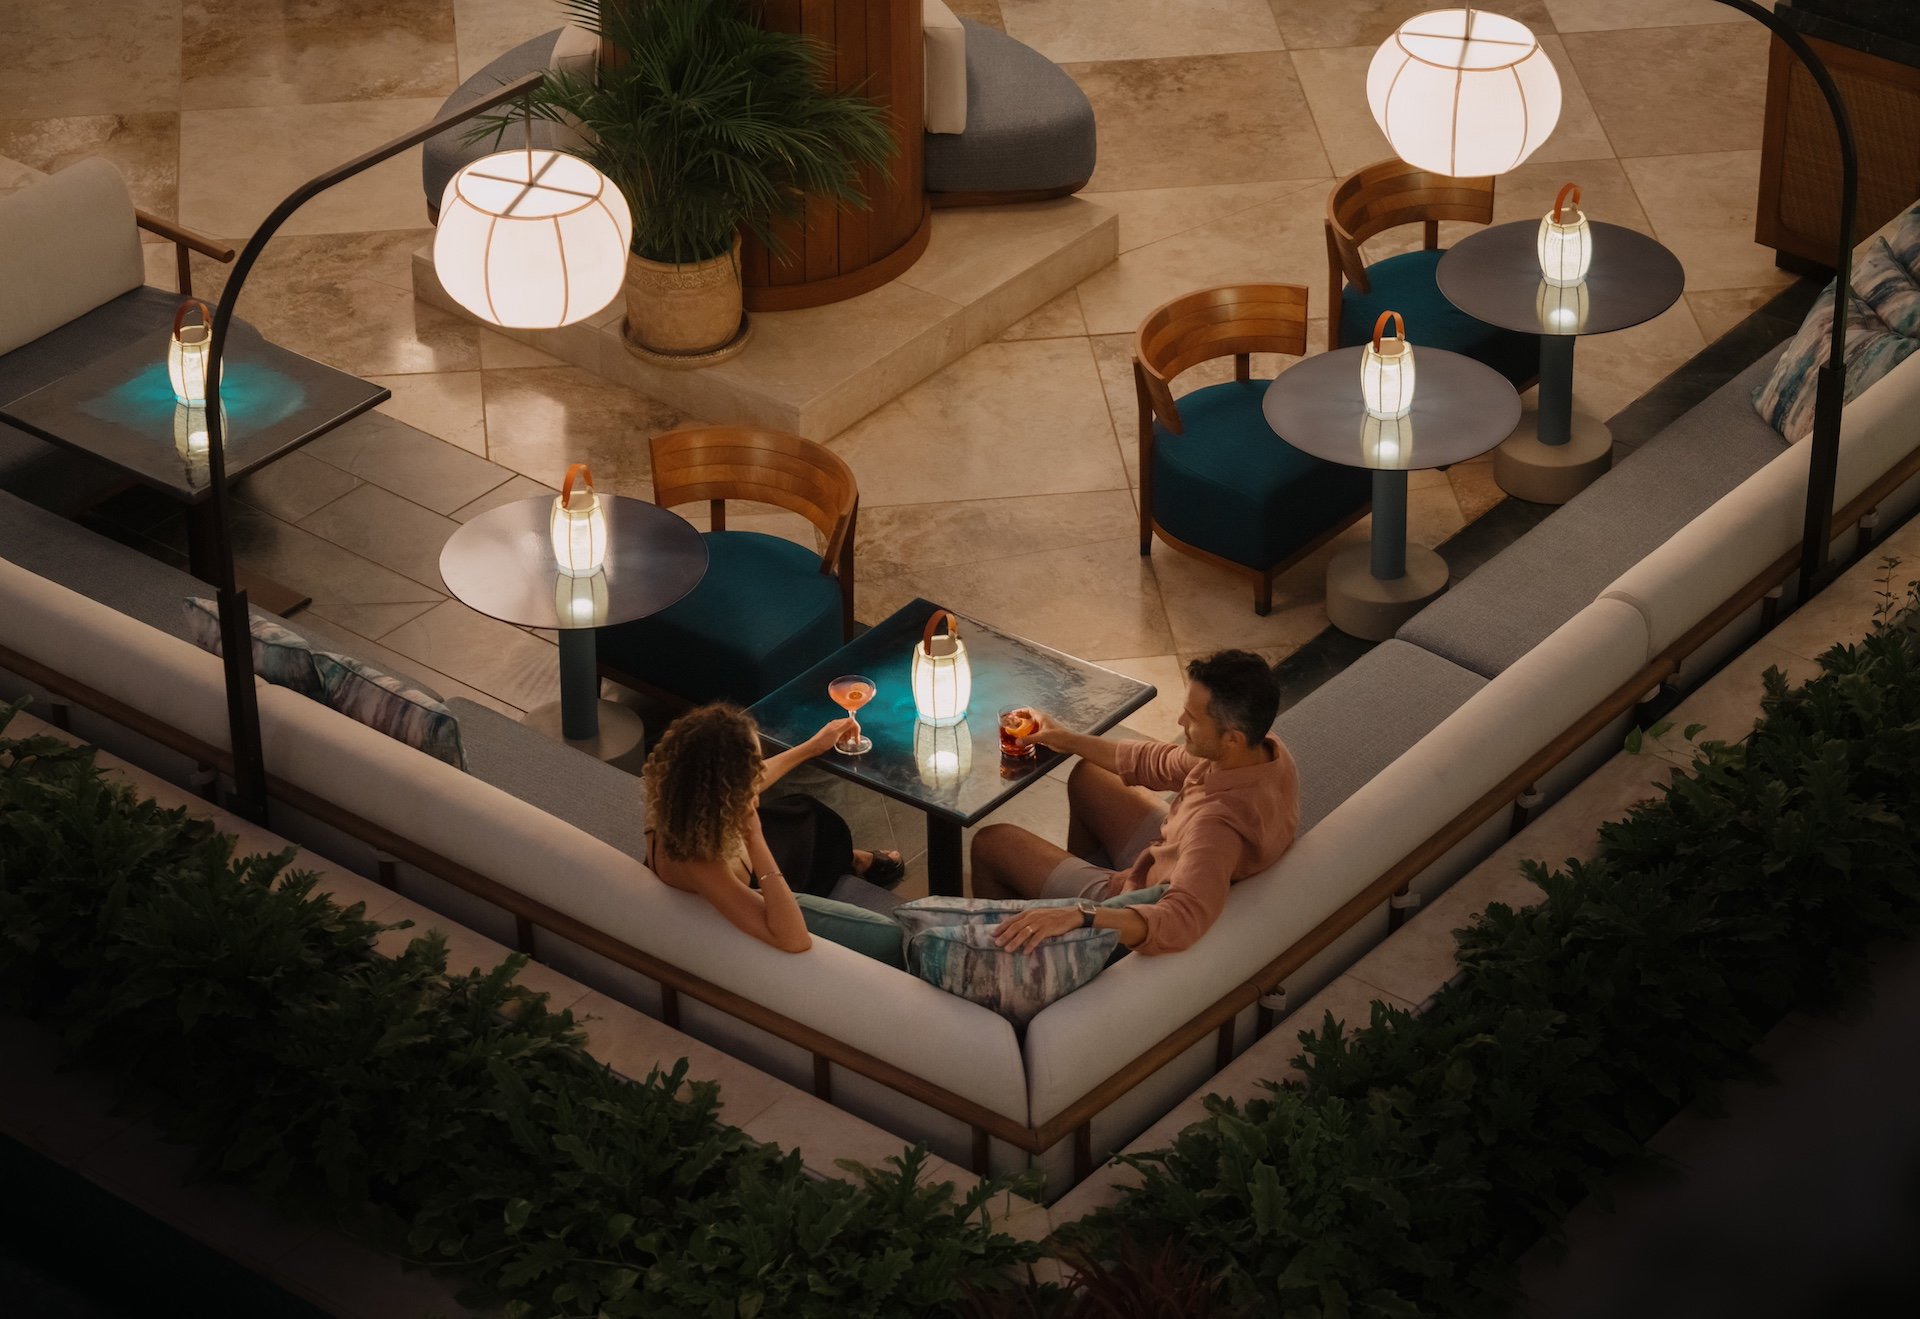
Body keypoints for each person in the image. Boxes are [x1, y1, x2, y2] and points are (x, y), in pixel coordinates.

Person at [971, 650, 1299, 957]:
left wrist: (1081, 915)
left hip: (1136, 891)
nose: (1180, 724)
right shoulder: (1265, 751)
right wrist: (1064, 738)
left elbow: (1182, 920)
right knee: (1090, 775)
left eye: (1192, 718)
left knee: (991, 842)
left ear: (1232, 738)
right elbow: (1153, 761)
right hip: (1168, 853)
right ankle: (1071, 885)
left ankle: (1001, 956)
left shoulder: (1216, 830)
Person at [643, 703, 902, 953]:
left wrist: (812, 747)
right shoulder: (700, 861)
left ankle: (848, 857)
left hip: (730, 840)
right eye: (753, 766)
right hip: (754, 870)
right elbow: (794, 939)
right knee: (816, 843)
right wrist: (754, 836)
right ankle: (851, 862)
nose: (758, 769)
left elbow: (741, 782)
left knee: (805, 811)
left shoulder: (679, 796)